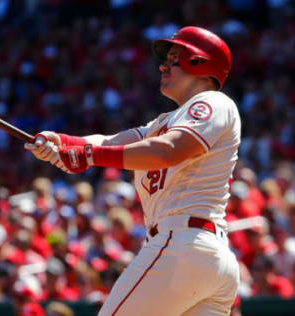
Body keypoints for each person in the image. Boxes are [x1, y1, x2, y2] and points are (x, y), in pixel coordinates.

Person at [25, 26, 241, 315]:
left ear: (199, 62)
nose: (164, 65)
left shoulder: (213, 102)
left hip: (183, 245)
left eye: (175, 57)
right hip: (203, 256)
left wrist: (88, 155)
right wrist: (61, 143)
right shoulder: (164, 121)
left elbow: (168, 150)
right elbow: (109, 142)